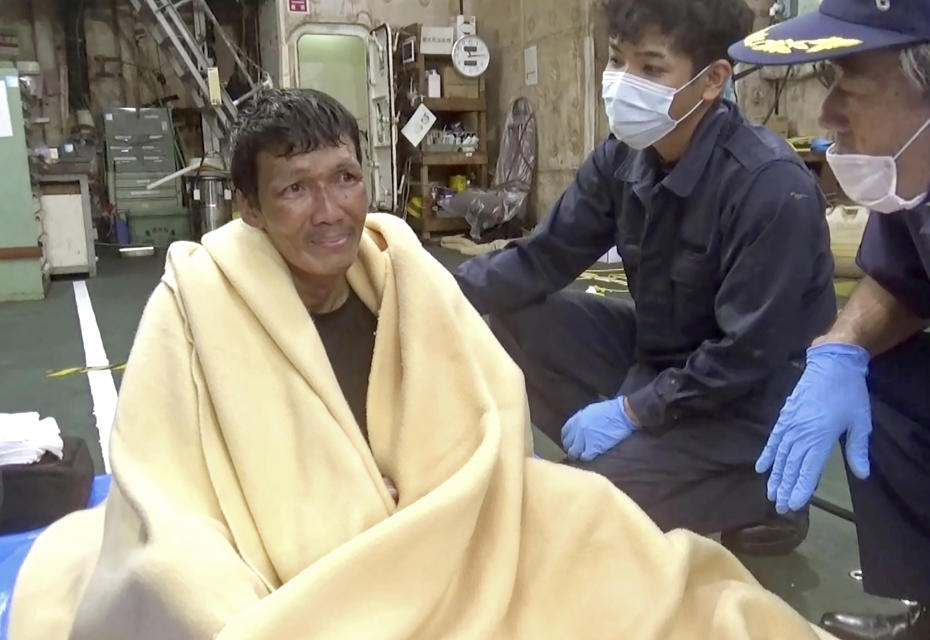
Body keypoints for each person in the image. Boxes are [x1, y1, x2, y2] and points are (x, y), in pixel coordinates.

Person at [6, 90, 831, 640]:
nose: (330, 212)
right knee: (178, 582)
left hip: (431, 515)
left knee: (593, 517)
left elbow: (482, 409)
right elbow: (163, 477)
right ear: (249, 208)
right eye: (295, 190)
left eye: (345, 179)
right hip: (279, 535)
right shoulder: (193, 300)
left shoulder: (396, 267)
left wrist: (430, 493)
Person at [455, 0, 837, 551]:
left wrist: (633, 410)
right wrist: (425, 290)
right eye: (617, 61)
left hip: (746, 407)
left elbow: (747, 355)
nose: (622, 84)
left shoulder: (770, 188)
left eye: (651, 69)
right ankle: (643, 460)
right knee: (512, 317)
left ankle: (765, 494)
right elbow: (542, 258)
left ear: (712, 81)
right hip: (660, 364)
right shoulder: (622, 159)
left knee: (579, 509)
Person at [729, 1, 930, 638]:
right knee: (881, 371)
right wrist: (841, 349)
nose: (827, 116)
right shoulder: (929, 178)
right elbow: (902, 284)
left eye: (848, 84)